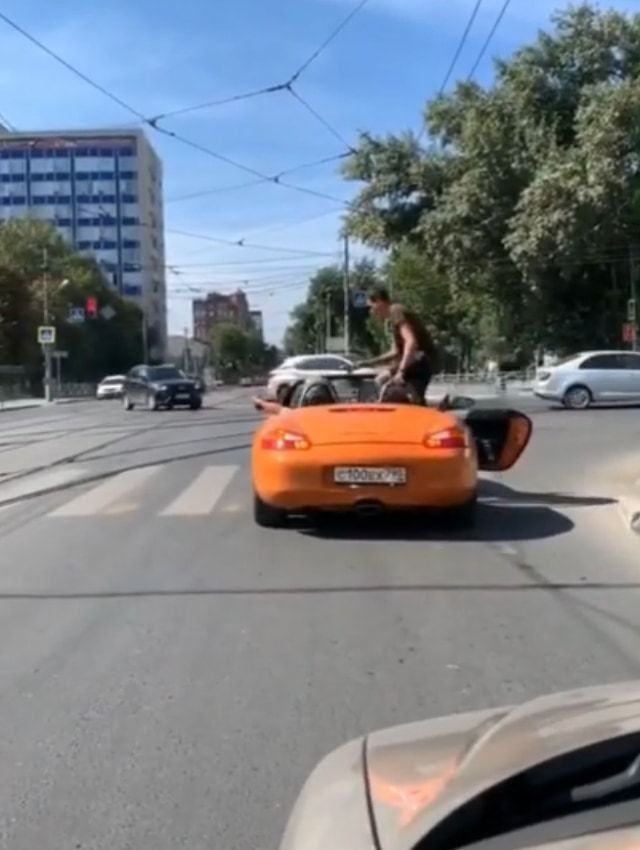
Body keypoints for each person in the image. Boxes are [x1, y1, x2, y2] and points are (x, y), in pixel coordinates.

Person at [359, 287, 439, 404]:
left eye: (371, 306)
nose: (371, 311)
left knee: (387, 386)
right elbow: (395, 352)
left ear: (380, 301)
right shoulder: (393, 319)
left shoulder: (395, 310)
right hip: (418, 362)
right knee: (384, 382)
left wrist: (401, 371)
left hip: (421, 360)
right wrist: (368, 363)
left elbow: (411, 341)